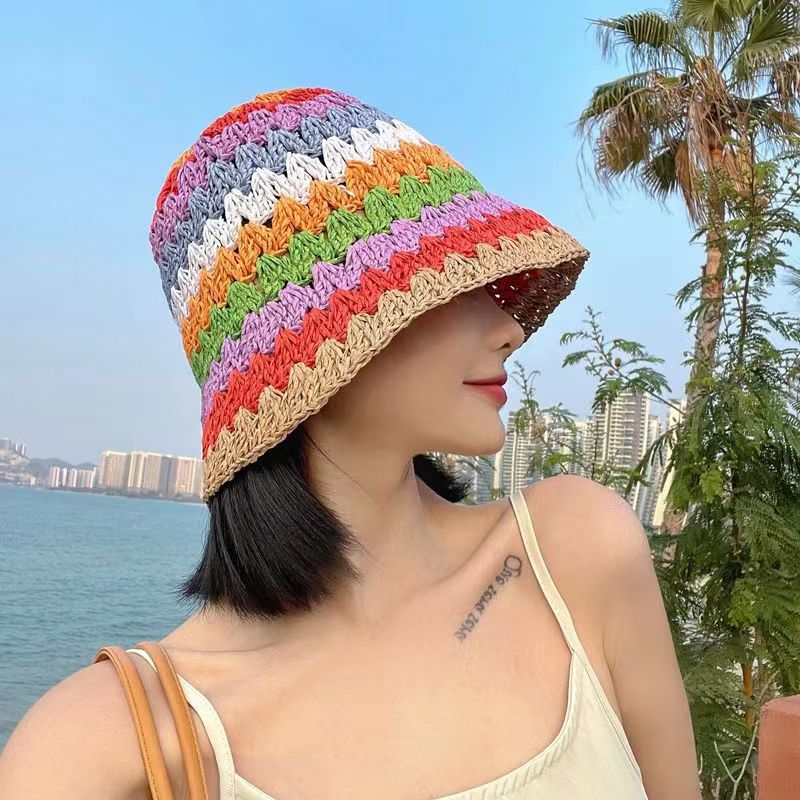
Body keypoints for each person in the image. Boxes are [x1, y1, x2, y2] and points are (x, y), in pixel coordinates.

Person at [0, 87, 700, 800]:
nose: (510, 328)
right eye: (451, 282)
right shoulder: (103, 745)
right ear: (312, 340)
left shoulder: (576, 552)